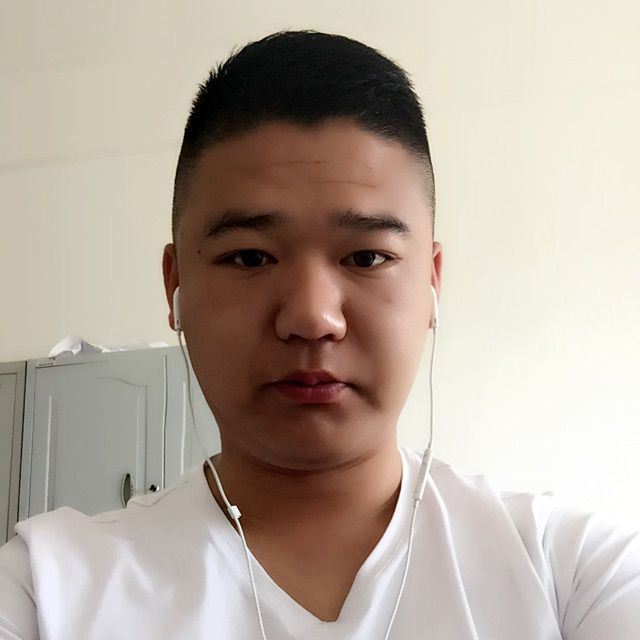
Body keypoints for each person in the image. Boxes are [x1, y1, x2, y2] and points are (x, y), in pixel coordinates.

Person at [1, 30, 639, 640]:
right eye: (250, 257)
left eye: (366, 257)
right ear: (176, 287)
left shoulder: (572, 571)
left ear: (431, 283)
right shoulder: (45, 590)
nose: (312, 318)